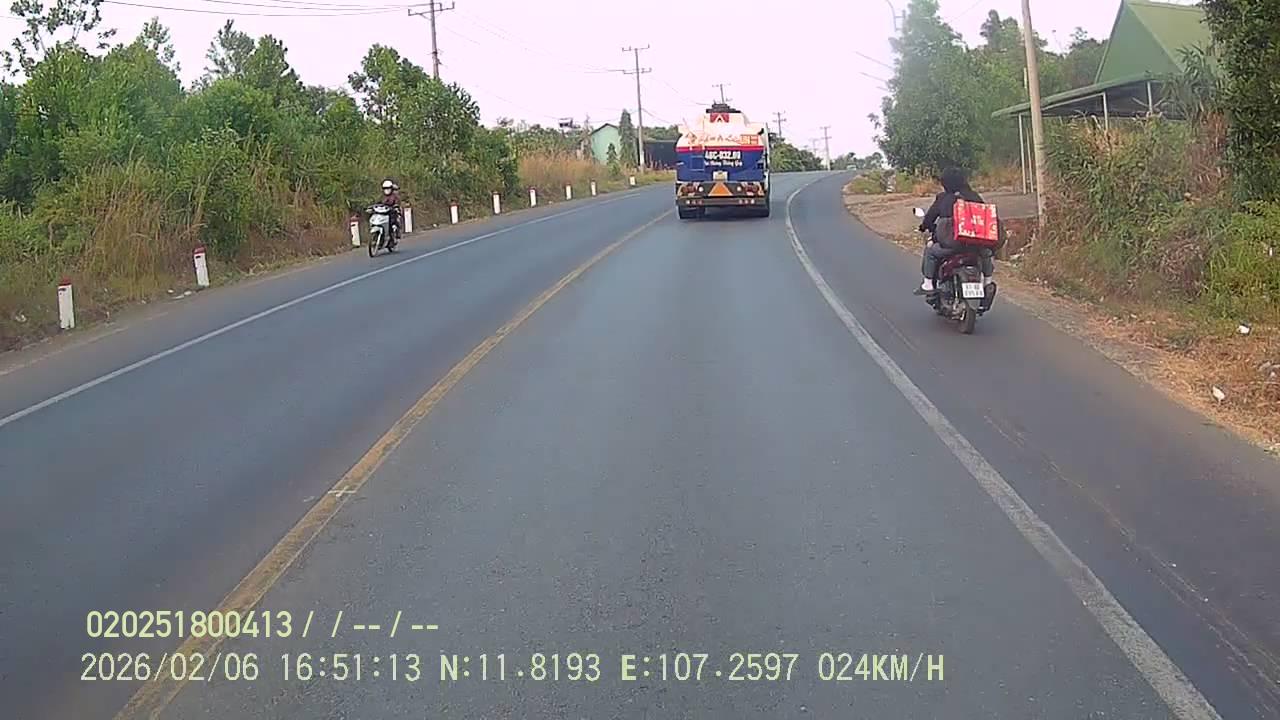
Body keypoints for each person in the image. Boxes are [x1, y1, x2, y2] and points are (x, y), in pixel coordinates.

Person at [913, 167, 996, 295]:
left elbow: (930, 218)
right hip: (975, 244)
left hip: (952, 246)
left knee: (930, 252)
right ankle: (988, 282)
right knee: (986, 253)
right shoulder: (974, 196)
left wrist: (924, 227)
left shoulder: (943, 198)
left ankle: (928, 284)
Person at [380, 179, 402, 245]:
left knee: (395, 220)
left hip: (393, 211)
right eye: (385, 188)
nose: (386, 190)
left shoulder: (395, 196)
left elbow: (398, 203)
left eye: (388, 188)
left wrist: (396, 207)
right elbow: (378, 203)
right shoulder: (382, 196)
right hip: (384, 211)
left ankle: (397, 234)